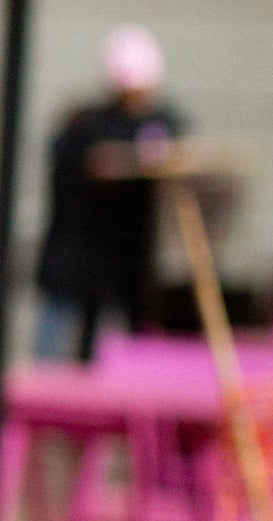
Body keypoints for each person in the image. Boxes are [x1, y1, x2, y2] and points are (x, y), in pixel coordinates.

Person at [35, 23, 186, 361]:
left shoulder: (158, 123)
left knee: (116, 341)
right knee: (59, 343)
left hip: (125, 258)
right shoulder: (86, 127)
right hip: (79, 254)